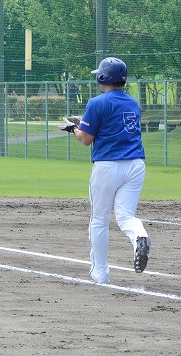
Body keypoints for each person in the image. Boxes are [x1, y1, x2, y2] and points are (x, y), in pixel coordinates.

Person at [64, 57, 149, 284]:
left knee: (100, 220)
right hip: (135, 165)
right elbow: (114, 126)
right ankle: (140, 235)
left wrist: (73, 128)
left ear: (103, 78)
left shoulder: (96, 102)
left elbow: (86, 139)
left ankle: (100, 273)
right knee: (126, 217)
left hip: (107, 166)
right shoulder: (133, 102)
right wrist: (84, 123)